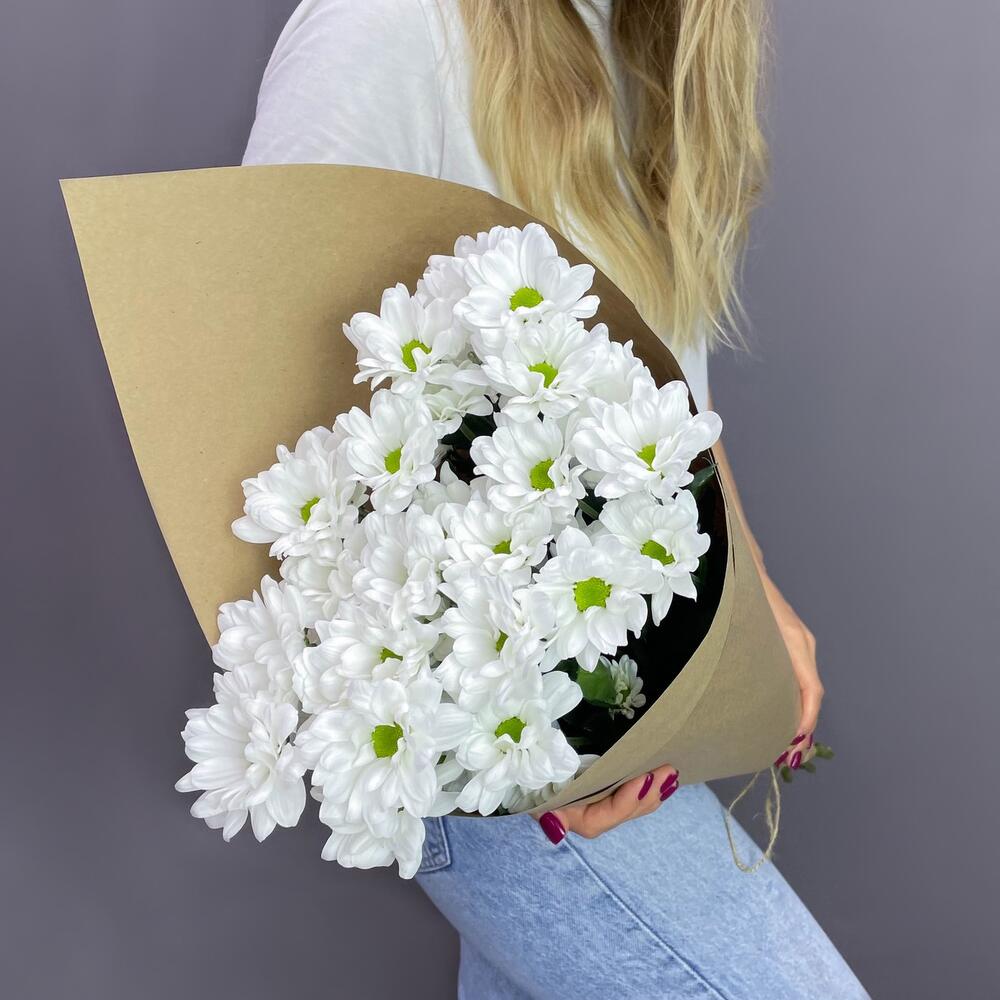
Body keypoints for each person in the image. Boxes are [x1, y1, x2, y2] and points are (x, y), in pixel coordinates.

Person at [243, 1, 867, 996]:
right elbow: (246, 391)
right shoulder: (389, 27)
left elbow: (664, 404)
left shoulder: (639, 44)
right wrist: (538, 731)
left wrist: (752, 596)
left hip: (613, 708)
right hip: (475, 731)